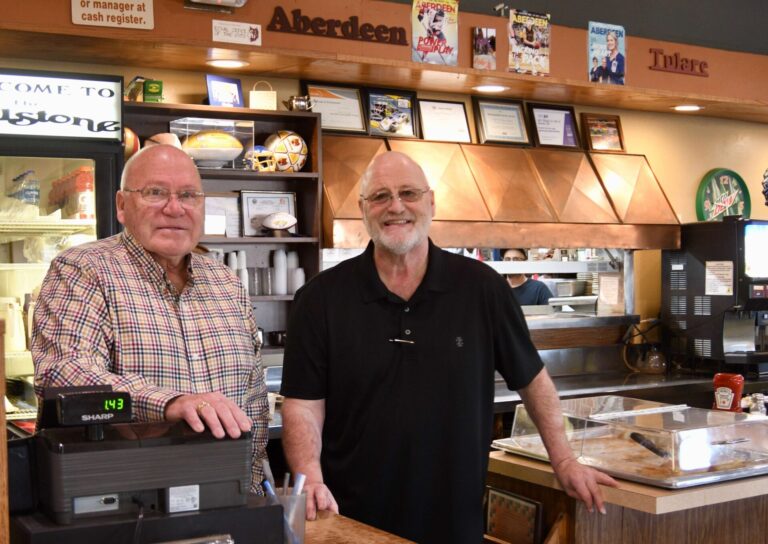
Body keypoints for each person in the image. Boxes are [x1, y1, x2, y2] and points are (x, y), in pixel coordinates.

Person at [280, 151, 616, 543]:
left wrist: (564, 460)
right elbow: (302, 405)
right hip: (352, 523)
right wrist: (313, 479)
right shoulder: (321, 298)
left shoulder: (482, 289)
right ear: (363, 209)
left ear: (431, 202)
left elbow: (533, 381)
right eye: (381, 196)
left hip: (454, 524)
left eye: (409, 193)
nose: (396, 207)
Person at [32, 144, 269, 492]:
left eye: (188, 195)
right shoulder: (83, 270)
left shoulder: (227, 283)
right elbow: (65, 373)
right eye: (155, 193)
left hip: (224, 498)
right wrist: (171, 403)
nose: (175, 208)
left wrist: (249, 489)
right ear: (122, 206)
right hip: (125, 508)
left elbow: (254, 399)